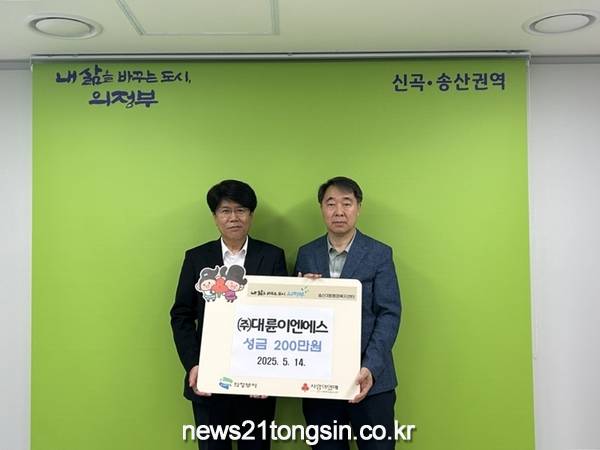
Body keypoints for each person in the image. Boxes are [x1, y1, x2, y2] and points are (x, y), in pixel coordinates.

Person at [170, 179, 287, 450]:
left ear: (251, 215)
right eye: (225, 211)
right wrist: (194, 365)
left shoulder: (272, 256)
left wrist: (271, 374)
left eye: (241, 210)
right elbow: (182, 315)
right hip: (209, 380)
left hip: (256, 382)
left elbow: (283, 315)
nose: (234, 217)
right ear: (215, 217)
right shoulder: (197, 258)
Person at [294, 176, 401, 450]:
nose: (339, 211)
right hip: (319, 382)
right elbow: (294, 317)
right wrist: (302, 292)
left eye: (347, 203)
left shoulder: (379, 253)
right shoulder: (307, 254)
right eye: (331, 203)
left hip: (371, 381)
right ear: (321, 208)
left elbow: (389, 313)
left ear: (358, 208)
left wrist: (370, 367)